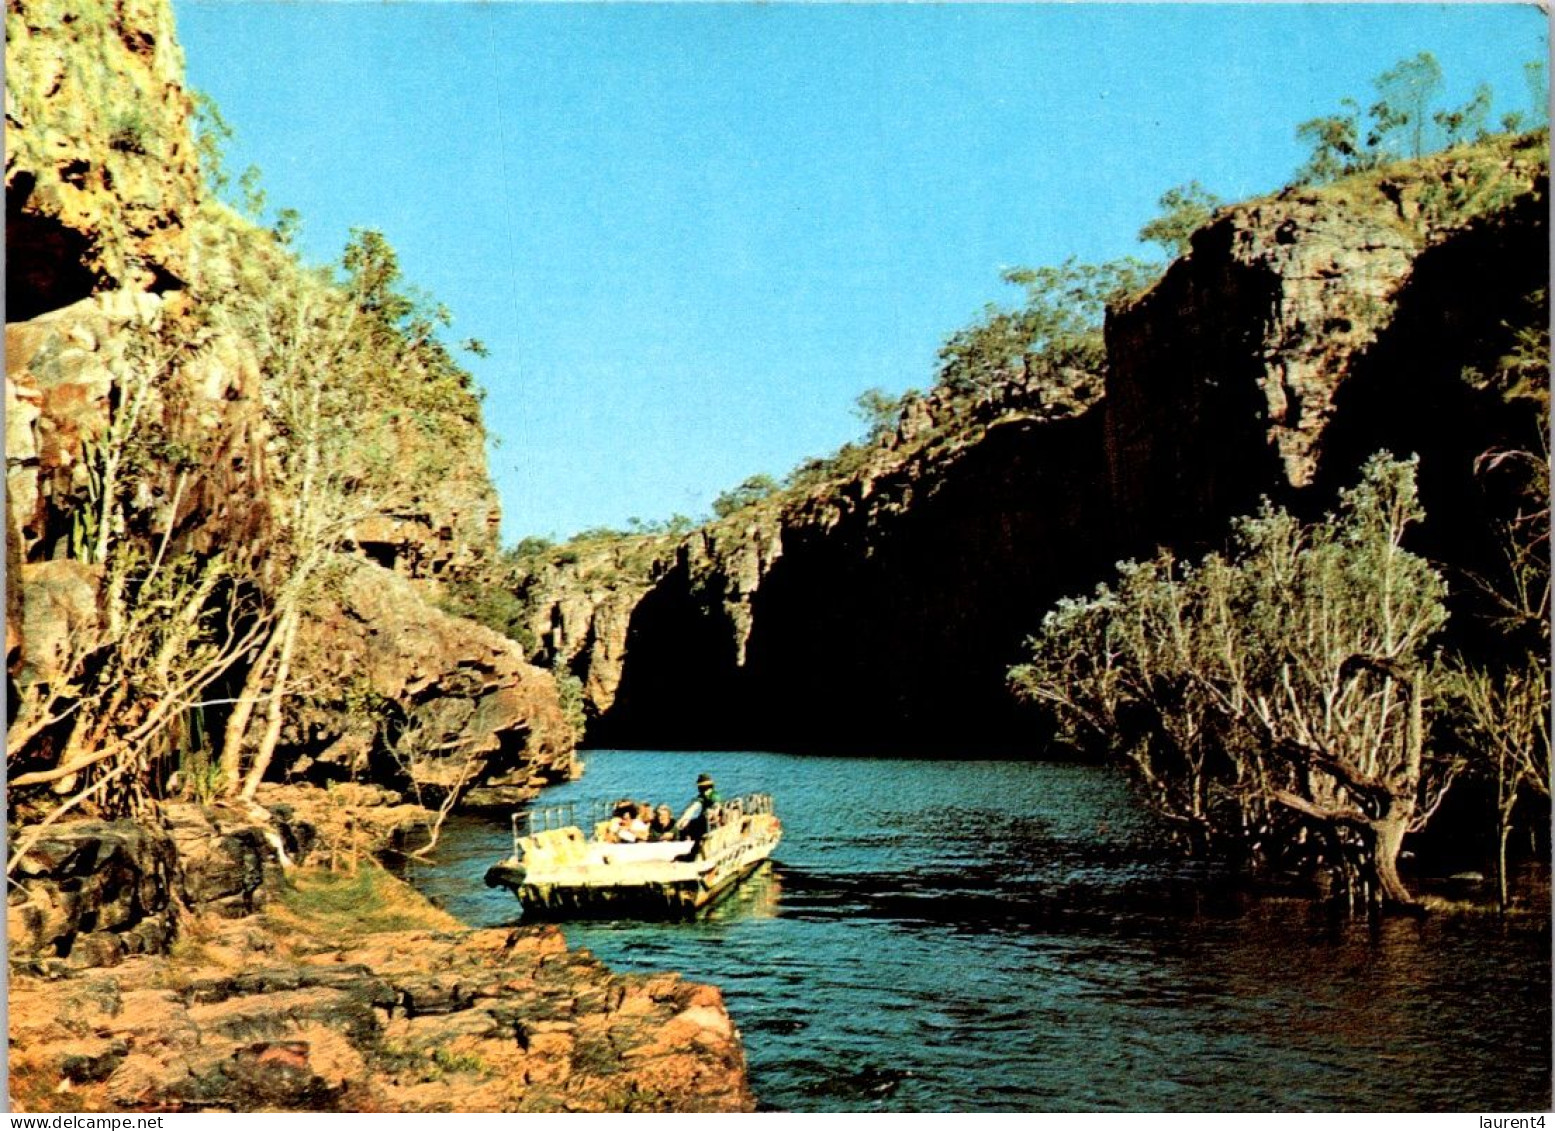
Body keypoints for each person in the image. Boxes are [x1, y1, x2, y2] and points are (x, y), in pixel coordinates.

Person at [675, 773, 721, 844]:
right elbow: (693, 808)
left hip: (709, 821)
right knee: (686, 824)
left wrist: (713, 813)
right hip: (703, 820)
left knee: (688, 825)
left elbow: (716, 806)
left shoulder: (714, 795)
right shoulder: (702, 797)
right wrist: (683, 820)